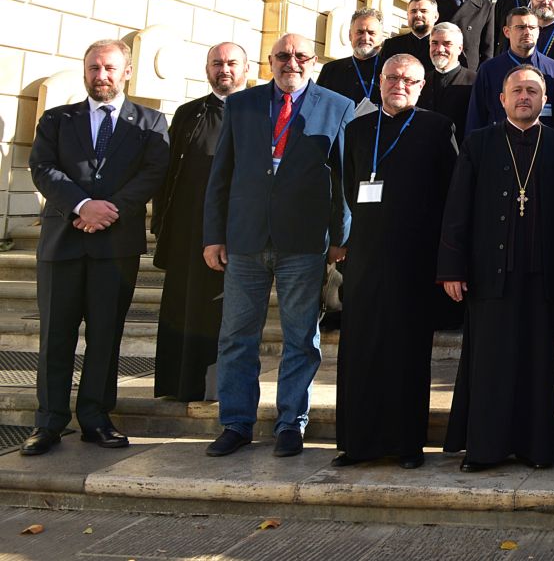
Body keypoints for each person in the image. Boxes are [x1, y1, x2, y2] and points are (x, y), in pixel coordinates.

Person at [202, 33, 355, 458]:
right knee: (236, 337)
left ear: (315, 60)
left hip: (304, 242)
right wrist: (213, 235)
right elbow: (222, 175)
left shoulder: (337, 106)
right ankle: (236, 422)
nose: (292, 62)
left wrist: (341, 237)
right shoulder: (242, 104)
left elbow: (343, 178)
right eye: (283, 56)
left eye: (300, 56)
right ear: (269, 61)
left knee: (302, 338)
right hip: (245, 240)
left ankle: (291, 422)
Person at [25, 39, 170, 455]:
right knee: (56, 336)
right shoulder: (56, 119)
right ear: (85, 71)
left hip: (115, 244)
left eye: (109, 68)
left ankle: (94, 418)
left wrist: (108, 211)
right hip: (62, 242)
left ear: (127, 72)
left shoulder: (151, 122)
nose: (100, 76)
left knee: (106, 336)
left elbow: (153, 173)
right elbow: (42, 168)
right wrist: (83, 205)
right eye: (93, 68)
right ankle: (48, 422)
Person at [438, 65, 554, 471]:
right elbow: (457, 209)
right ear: (501, 99)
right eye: (516, 90)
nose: (524, 97)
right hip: (488, 272)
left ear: (544, 100)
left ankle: (537, 448)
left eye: (533, 91)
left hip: (541, 275)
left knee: (537, 364)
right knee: (489, 363)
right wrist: (451, 266)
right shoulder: (478, 144)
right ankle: (485, 449)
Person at [332, 54, 457, 469]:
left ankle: (406, 444)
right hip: (366, 256)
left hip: (414, 259)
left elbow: (449, 195)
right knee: (360, 350)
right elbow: (351, 188)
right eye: (392, 77)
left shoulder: (437, 129)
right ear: (380, 82)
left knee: (407, 353)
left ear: (421, 86)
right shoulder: (357, 128)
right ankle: (357, 443)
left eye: (408, 79)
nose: (399, 84)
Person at [152, 42, 248, 403]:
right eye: (217, 63)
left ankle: (213, 389)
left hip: (233, 231)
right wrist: (162, 224)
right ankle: (178, 386)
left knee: (218, 313)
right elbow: (169, 172)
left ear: (245, 67)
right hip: (185, 230)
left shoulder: (257, 110)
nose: (224, 69)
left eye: (231, 63)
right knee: (180, 306)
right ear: (207, 69)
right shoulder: (188, 112)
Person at [465, 7, 554, 134]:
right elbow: (476, 115)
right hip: (498, 143)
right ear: (507, 32)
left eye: (532, 27)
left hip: (542, 144)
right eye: (521, 27)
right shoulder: (489, 69)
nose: (527, 32)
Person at [314, 9, 386, 112]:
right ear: (350, 35)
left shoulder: (391, 71)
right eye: (360, 32)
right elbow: (318, 107)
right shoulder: (330, 69)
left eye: (371, 33)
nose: (365, 38)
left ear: (381, 38)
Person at [419, 22, 475, 138]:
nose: (439, 49)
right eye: (434, 43)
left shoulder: (475, 81)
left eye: (447, 44)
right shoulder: (420, 80)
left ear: (460, 49)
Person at [379, 0, 438, 74]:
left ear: (435, 16)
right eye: (413, 11)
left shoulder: (442, 46)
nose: (418, 15)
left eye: (423, 11)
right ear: (407, 16)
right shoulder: (391, 45)